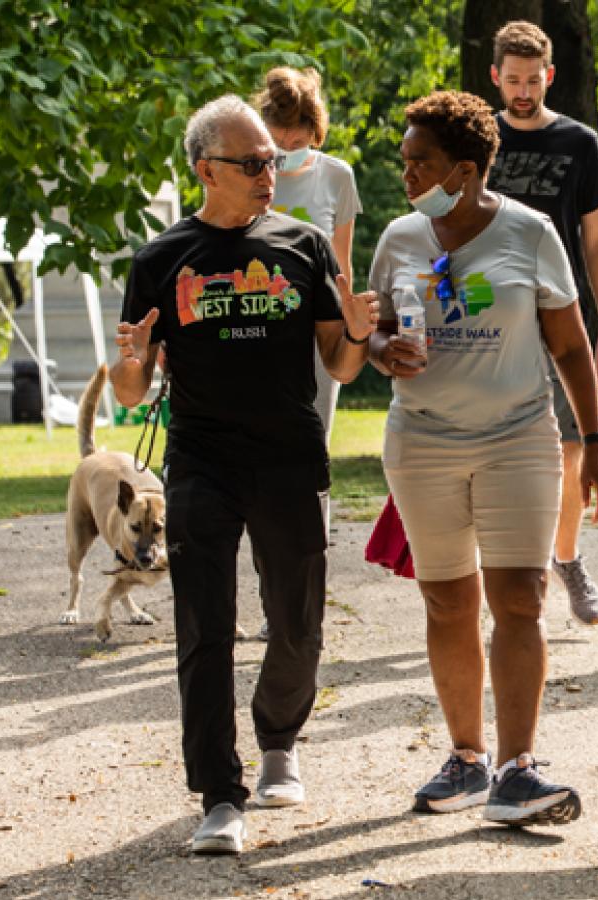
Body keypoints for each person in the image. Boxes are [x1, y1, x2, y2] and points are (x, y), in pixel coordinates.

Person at [110, 95, 378, 855]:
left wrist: (357, 333)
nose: (271, 174)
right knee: (204, 626)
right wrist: (129, 366)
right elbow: (133, 391)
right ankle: (218, 794)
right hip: (202, 461)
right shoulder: (162, 259)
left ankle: (280, 743)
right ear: (206, 170)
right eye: (254, 163)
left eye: (275, 161)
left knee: (297, 619)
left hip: (291, 457)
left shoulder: (304, 244)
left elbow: (341, 364)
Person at [367, 90, 598, 826]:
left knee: (519, 599)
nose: (407, 175)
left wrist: (596, 444)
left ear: (468, 169)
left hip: (517, 438)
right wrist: (386, 351)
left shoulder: (531, 233)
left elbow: (570, 346)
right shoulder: (399, 239)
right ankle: (467, 758)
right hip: (423, 440)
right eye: (405, 160)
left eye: (422, 162)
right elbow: (371, 334)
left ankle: (517, 769)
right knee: (447, 601)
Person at [484, 20, 598, 625]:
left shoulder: (578, 142)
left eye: (532, 79)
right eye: (511, 79)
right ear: (495, 76)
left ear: (550, 76)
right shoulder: (479, 139)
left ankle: (565, 558)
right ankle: (507, 572)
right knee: (493, 450)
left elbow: (597, 239)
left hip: (561, 314)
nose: (522, 89)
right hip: (490, 317)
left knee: (569, 448)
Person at [251, 66, 365, 640]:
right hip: (257, 340)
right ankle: (271, 590)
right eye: (279, 139)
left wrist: (350, 331)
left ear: (315, 132)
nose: (288, 150)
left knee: (310, 459)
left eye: (299, 139)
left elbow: (339, 266)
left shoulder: (338, 178)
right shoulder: (250, 177)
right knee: (259, 461)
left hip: (318, 341)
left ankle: (306, 588)